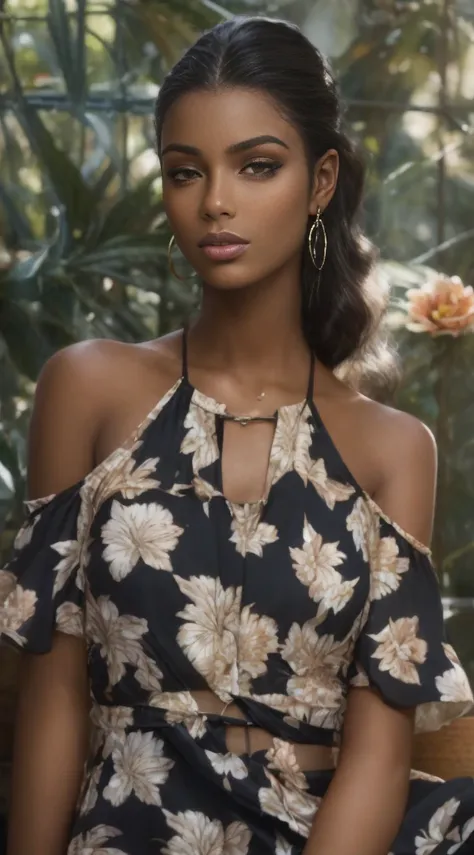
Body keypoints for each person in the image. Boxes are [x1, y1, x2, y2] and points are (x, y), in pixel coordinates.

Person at [1, 15, 473, 855]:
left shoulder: (394, 448)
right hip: (128, 829)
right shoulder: (90, 387)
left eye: (257, 166)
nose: (216, 201)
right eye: (187, 171)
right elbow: (51, 700)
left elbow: (377, 753)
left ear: (321, 179)